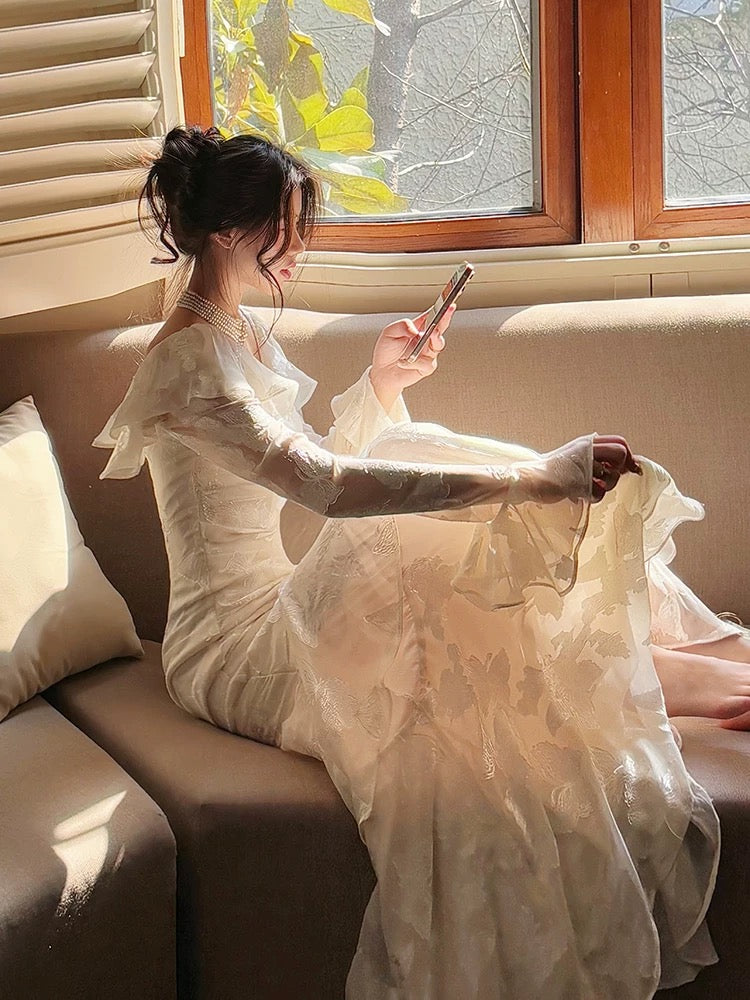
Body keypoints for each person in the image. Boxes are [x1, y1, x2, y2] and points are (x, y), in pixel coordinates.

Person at [94, 125, 749, 999]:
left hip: (281, 600)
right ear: (225, 231)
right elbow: (328, 488)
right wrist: (530, 479)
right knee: (429, 515)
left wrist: (382, 385)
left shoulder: (235, 332)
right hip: (230, 648)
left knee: (458, 574)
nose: (301, 246)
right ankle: (680, 668)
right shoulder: (186, 362)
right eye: (287, 227)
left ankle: (680, 664)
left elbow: (318, 464)